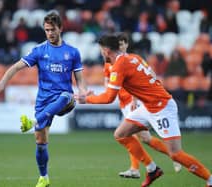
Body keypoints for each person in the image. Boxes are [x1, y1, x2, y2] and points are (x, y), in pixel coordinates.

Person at [76, 33, 212, 187]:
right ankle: (152, 169)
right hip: (148, 106)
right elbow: (150, 76)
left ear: (106, 51)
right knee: (121, 134)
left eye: (101, 50)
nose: (101, 53)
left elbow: (109, 98)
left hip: (162, 107)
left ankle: (209, 179)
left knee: (175, 154)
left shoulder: (120, 65)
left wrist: (86, 99)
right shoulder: (133, 57)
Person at [0, 11, 87, 187]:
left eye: (52, 29)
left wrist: (82, 91)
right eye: (46, 30)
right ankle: (44, 177)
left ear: (60, 28)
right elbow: (16, 67)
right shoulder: (39, 51)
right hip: (44, 102)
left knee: (67, 95)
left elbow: (80, 79)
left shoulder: (73, 52)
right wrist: (2, 82)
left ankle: (34, 121)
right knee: (41, 143)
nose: (50, 33)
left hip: (65, 100)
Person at [103, 33, 181, 179]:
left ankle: (171, 158)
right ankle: (143, 167)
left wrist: (135, 99)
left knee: (139, 136)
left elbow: (149, 76)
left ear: (126, 45)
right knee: (138, 137)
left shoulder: (134, 59)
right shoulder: (109, 63)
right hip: (123, 102)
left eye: (122, 44)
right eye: (118, 45)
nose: (120, 47)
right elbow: (107, 82)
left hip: (135, 102)